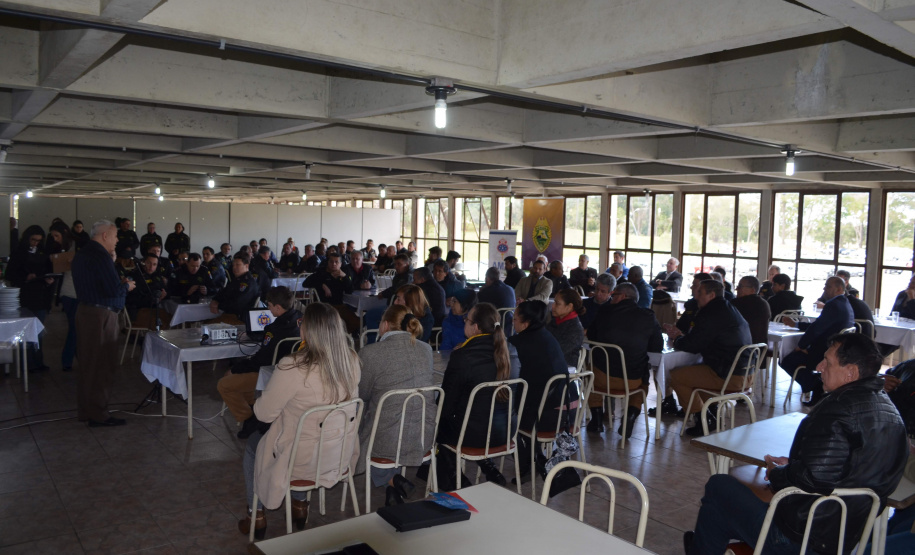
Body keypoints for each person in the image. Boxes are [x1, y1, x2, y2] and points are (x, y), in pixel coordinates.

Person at [685, 333, 907, 555]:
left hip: (801, 539)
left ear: (851, 372)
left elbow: (813, 478)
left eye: (827, 362)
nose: (819, 367)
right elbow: (847, 468)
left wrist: (777, 473)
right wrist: (797, 464)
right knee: (716, 514)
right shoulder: (891, 413)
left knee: (719, 486)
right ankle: (703, 545)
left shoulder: (837, 410)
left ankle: (703, 545)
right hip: (845, 537)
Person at [238, 302, 361, 539]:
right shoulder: (352, 360)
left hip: (300, 460)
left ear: (306, 330)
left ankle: (256, 514)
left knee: (254, 446)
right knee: (305, 432)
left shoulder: (293, 366)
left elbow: (263, 414)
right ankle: (300, 506)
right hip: (338, 453)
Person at [357, 304, 435, 505]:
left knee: (363, 415)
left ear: (384, 325)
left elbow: (362, 394)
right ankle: (393, 486)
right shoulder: (426, 349)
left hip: (387, 439)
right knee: (391, 410)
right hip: (422, 434)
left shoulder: (370, 352)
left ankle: (392, 480)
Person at [437, 302, 519, 489]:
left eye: (466, 320)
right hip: (506, 431)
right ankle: (488, 466)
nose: (464, 322)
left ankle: (456, 478)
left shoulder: (463, 356)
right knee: (477, 415)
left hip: (472, 435)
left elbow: (446, 404)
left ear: (475, 327)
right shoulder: (511, 351)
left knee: (438, 423)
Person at [664, 279, 752, 436]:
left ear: (711, 295)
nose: (696, 296)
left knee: (675, 376)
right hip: (745, 373)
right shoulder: (728, 308)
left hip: (728, 375)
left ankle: (703, 418)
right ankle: (711, 411)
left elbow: (693, 345)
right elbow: (702, 338)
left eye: (700, 292)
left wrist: (677, 338)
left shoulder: (710, 313)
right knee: (693, 372)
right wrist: (683, 337)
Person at [72, 220, 135, 426]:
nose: (117, 241)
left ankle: (87, 410)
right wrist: (127, 286)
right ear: (105, 235)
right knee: (102, 365)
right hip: (100, 315)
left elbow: (99, 283)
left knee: (88, 364)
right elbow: (113, 290)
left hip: (87, 311)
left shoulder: (83, 252)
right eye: (115, 236)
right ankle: (99, 414)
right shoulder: (100, 255)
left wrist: (113, 262)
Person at [218, 287, 303, 439]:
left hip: (272, 374)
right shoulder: (301, 319)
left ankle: (249, 418)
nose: (268, 309)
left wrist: (236, 368)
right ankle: (257, 411)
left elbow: (261, 361)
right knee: (244, 381)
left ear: (278, 307)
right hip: (296, 372)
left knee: (224, 384)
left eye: (269, 306)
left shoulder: (274, 329)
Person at [586, 283, 663, 436]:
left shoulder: (604, 311)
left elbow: (592, 337)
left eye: (614, 295)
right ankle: (631, 415)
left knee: (588, 374)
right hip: (631, 381)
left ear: (622, 296)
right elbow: (657, 346)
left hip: (601, 378)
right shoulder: (648, 316)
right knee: (643, 381)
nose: (612, 298)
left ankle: (597, 419)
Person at [508, 300, 570, 477]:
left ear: (525, 323)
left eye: (515, 318)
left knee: (501, 413)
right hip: (565, 412)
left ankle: (527, 461)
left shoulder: (517, 344)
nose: (513, 321)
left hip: (542, 417)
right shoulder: (548, 337)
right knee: (527, 400)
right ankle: (536, 457)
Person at [779, 276, 854, 407]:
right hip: (838, 350)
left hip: (823, 352)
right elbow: (820, 325)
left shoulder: (833, 305)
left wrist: (802, 345)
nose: (824, 289)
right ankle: (816, 385)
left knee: (786, 360)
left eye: (828, 286)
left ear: (839, 289)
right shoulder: (845, 303)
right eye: (825, 285)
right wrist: (796, 324)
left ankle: (816, 385)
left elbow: (817, 329)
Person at [7, 224, 55, 372]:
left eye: (38, 241)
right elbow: (10, 274)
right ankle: (27, 363)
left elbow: (48, 269)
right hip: (25, 296)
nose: (35, 243)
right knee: (26, 331)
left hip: (40, 295)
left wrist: (48, 279)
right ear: (27, 238)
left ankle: (38, 361)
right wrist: (25, 277)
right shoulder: (19, 252)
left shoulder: (42, 252)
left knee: (38, 331)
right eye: (33, 240)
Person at [304, 252, 360, 334]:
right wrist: (322, 285)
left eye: (336, 262)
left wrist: (345, 277)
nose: (333, 264)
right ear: (328, 262)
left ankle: (341, 335)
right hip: (324, 306)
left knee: (358, 322)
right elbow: (305, 283)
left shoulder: (343, 274)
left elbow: (350, 290)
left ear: (340, 264)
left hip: (340, 305)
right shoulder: (321, 272)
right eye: (331, 261)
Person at [47, 222, 78, 371]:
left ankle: (73, 357)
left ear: (64, 233)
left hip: (78, 291)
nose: (55, 239)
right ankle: (67, 360)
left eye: (57, 236)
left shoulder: (77, 245)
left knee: (76, 327)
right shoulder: (59, 248)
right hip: (68, 291)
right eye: (53, 236)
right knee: (74, 327)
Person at [210, 253, 260, 322]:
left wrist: (219, 305)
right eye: (233, 265)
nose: (234, 267)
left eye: (238, 265)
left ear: (246, 266)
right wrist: (215, 300)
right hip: (229, 314)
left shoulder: (248, 283)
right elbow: (223, 292)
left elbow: (237, 304)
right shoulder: (237, 280)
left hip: (239, 318)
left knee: (205, 324)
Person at [546, 288, 585, 368]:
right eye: (554, 302)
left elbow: (556, 351)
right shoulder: (555, 321)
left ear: (569, 307)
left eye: (557, 304)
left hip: (564, 368)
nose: (553, 306)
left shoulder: (575, 329)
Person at [125, 253, 168, 322]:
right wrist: (152, 299)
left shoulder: (157, 276)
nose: (151, 267)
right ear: (143, 262)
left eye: (154, 264)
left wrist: (163, 295)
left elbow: (164, 290)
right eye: (148, 263)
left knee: (168, 316)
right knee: (161, 319)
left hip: (154, 308)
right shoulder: (134, 275)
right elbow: (132, 299)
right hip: (137, 310)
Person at [730, 275, 771, 346]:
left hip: (739, 349)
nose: (736, 289)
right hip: (759, 349)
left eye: (740, 286)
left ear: (752, 290)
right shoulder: (764, 303)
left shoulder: (736, 304)